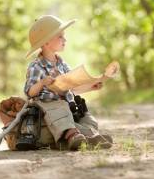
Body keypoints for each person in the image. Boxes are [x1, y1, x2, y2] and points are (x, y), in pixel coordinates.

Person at [23, 15, 112, 150]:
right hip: (49, 107)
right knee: (60, 109)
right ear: (46, 42)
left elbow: (72, 87)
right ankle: (72, 136)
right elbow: (30, 92)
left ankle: (89, 137)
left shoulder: (62, 64)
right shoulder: (36, 66)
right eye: (60, 36)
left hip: (67, 107)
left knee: (87, 119)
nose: (65, 39)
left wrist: (90, 87)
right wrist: (42, 83)